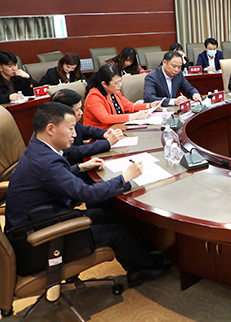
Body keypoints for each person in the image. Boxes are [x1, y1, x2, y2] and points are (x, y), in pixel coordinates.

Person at [4, 102, 172, 287]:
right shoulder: (46, 162)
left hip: (40, 222)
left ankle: (138, 263)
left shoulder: (37, 148)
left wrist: (80, 167)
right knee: (116, 233)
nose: (75, 134)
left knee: (108, 213)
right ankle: (148, 265)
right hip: (37, 242)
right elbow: (88, 194)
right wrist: (125, 178)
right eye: (70, 129)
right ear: (50, 129)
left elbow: (52, 178)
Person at [51, 88, 123, 165]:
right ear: (64, 111)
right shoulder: (57, 130)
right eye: (77, 109)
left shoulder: (74, 124)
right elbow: (73, 152)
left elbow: (87, 130)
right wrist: (107, 143)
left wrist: (105, 133)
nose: (81, 112)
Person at [83, 64, 160, 129]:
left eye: (120, 81)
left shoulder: (114, 91)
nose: (120, 85)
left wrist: (149, 106)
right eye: (116, 83)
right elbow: (106, 118)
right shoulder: (94, 96)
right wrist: (134, 116)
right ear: (104, 84)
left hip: (118, 128)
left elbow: (128, 106)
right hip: (100, 133)